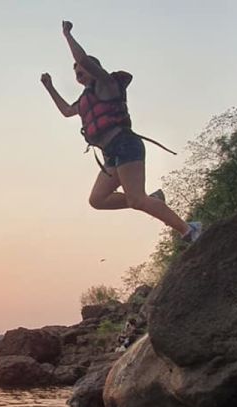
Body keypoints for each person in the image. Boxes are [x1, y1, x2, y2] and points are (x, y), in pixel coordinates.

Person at [41, 21, 202, 244]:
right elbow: (67, 111)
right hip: (111, 155)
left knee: (137, 199)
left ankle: (189, 230)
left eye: (81, 68)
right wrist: (49, 87)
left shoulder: (107, 84)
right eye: (76, 72)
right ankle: (153, 200)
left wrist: (67, 35)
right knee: (98, 200)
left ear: (93, 69)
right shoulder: (85, 100)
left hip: (125, 145)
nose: (79, 72)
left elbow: (85, 59)